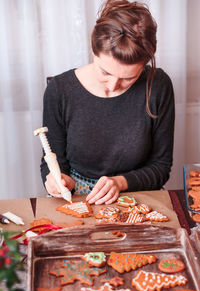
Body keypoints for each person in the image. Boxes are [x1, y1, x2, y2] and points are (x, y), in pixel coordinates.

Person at [40, 0, 175, 205]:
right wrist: (55, 180)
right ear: (94, 51)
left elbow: (160, 166)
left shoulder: (158, 86)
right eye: (105, 72)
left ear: (146, 63)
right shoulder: (59, 90)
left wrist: (119, 183)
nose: (113, 86)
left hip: (139, 194)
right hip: (78, 198)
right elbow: (51, 161)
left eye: (129, 78)